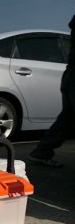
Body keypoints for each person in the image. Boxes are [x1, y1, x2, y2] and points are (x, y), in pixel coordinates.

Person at [27, 15, 75, 168]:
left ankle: (41, 152)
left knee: (67, 119)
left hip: (70, 74)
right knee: (67, 119)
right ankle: (41, 152)